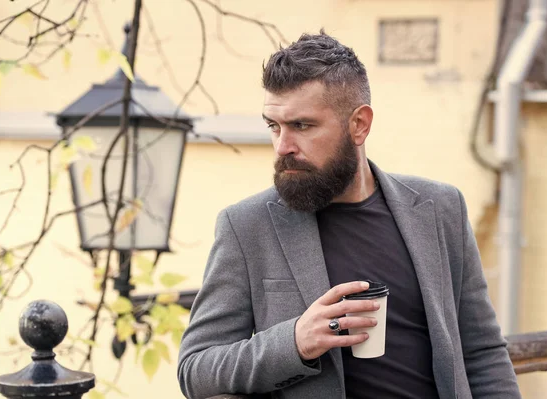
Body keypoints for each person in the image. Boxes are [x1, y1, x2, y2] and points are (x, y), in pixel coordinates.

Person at [177, 30, 521, 399]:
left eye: (302, 126)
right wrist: (294, 341)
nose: (282, 147)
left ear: (359, 124)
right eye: (274, 126)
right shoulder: (247, 226)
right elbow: (196, 368)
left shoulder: (440, 208)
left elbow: (483, 352)